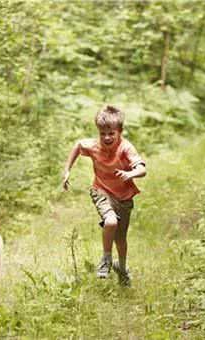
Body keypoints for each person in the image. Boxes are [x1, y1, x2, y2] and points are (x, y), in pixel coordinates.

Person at [62, 105, 146, 286]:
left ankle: (122, 268)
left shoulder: (126, 147)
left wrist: (131, 174)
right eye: (102, 133)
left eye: (111, 133)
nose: (106, 137)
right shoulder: (93, 145)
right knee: (110, 222)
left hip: (123, 198)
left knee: (121, 239)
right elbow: (78, 146)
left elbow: (142, 168)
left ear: (120, 131)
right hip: (101, 190)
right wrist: (67, 170)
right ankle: (106, 260)